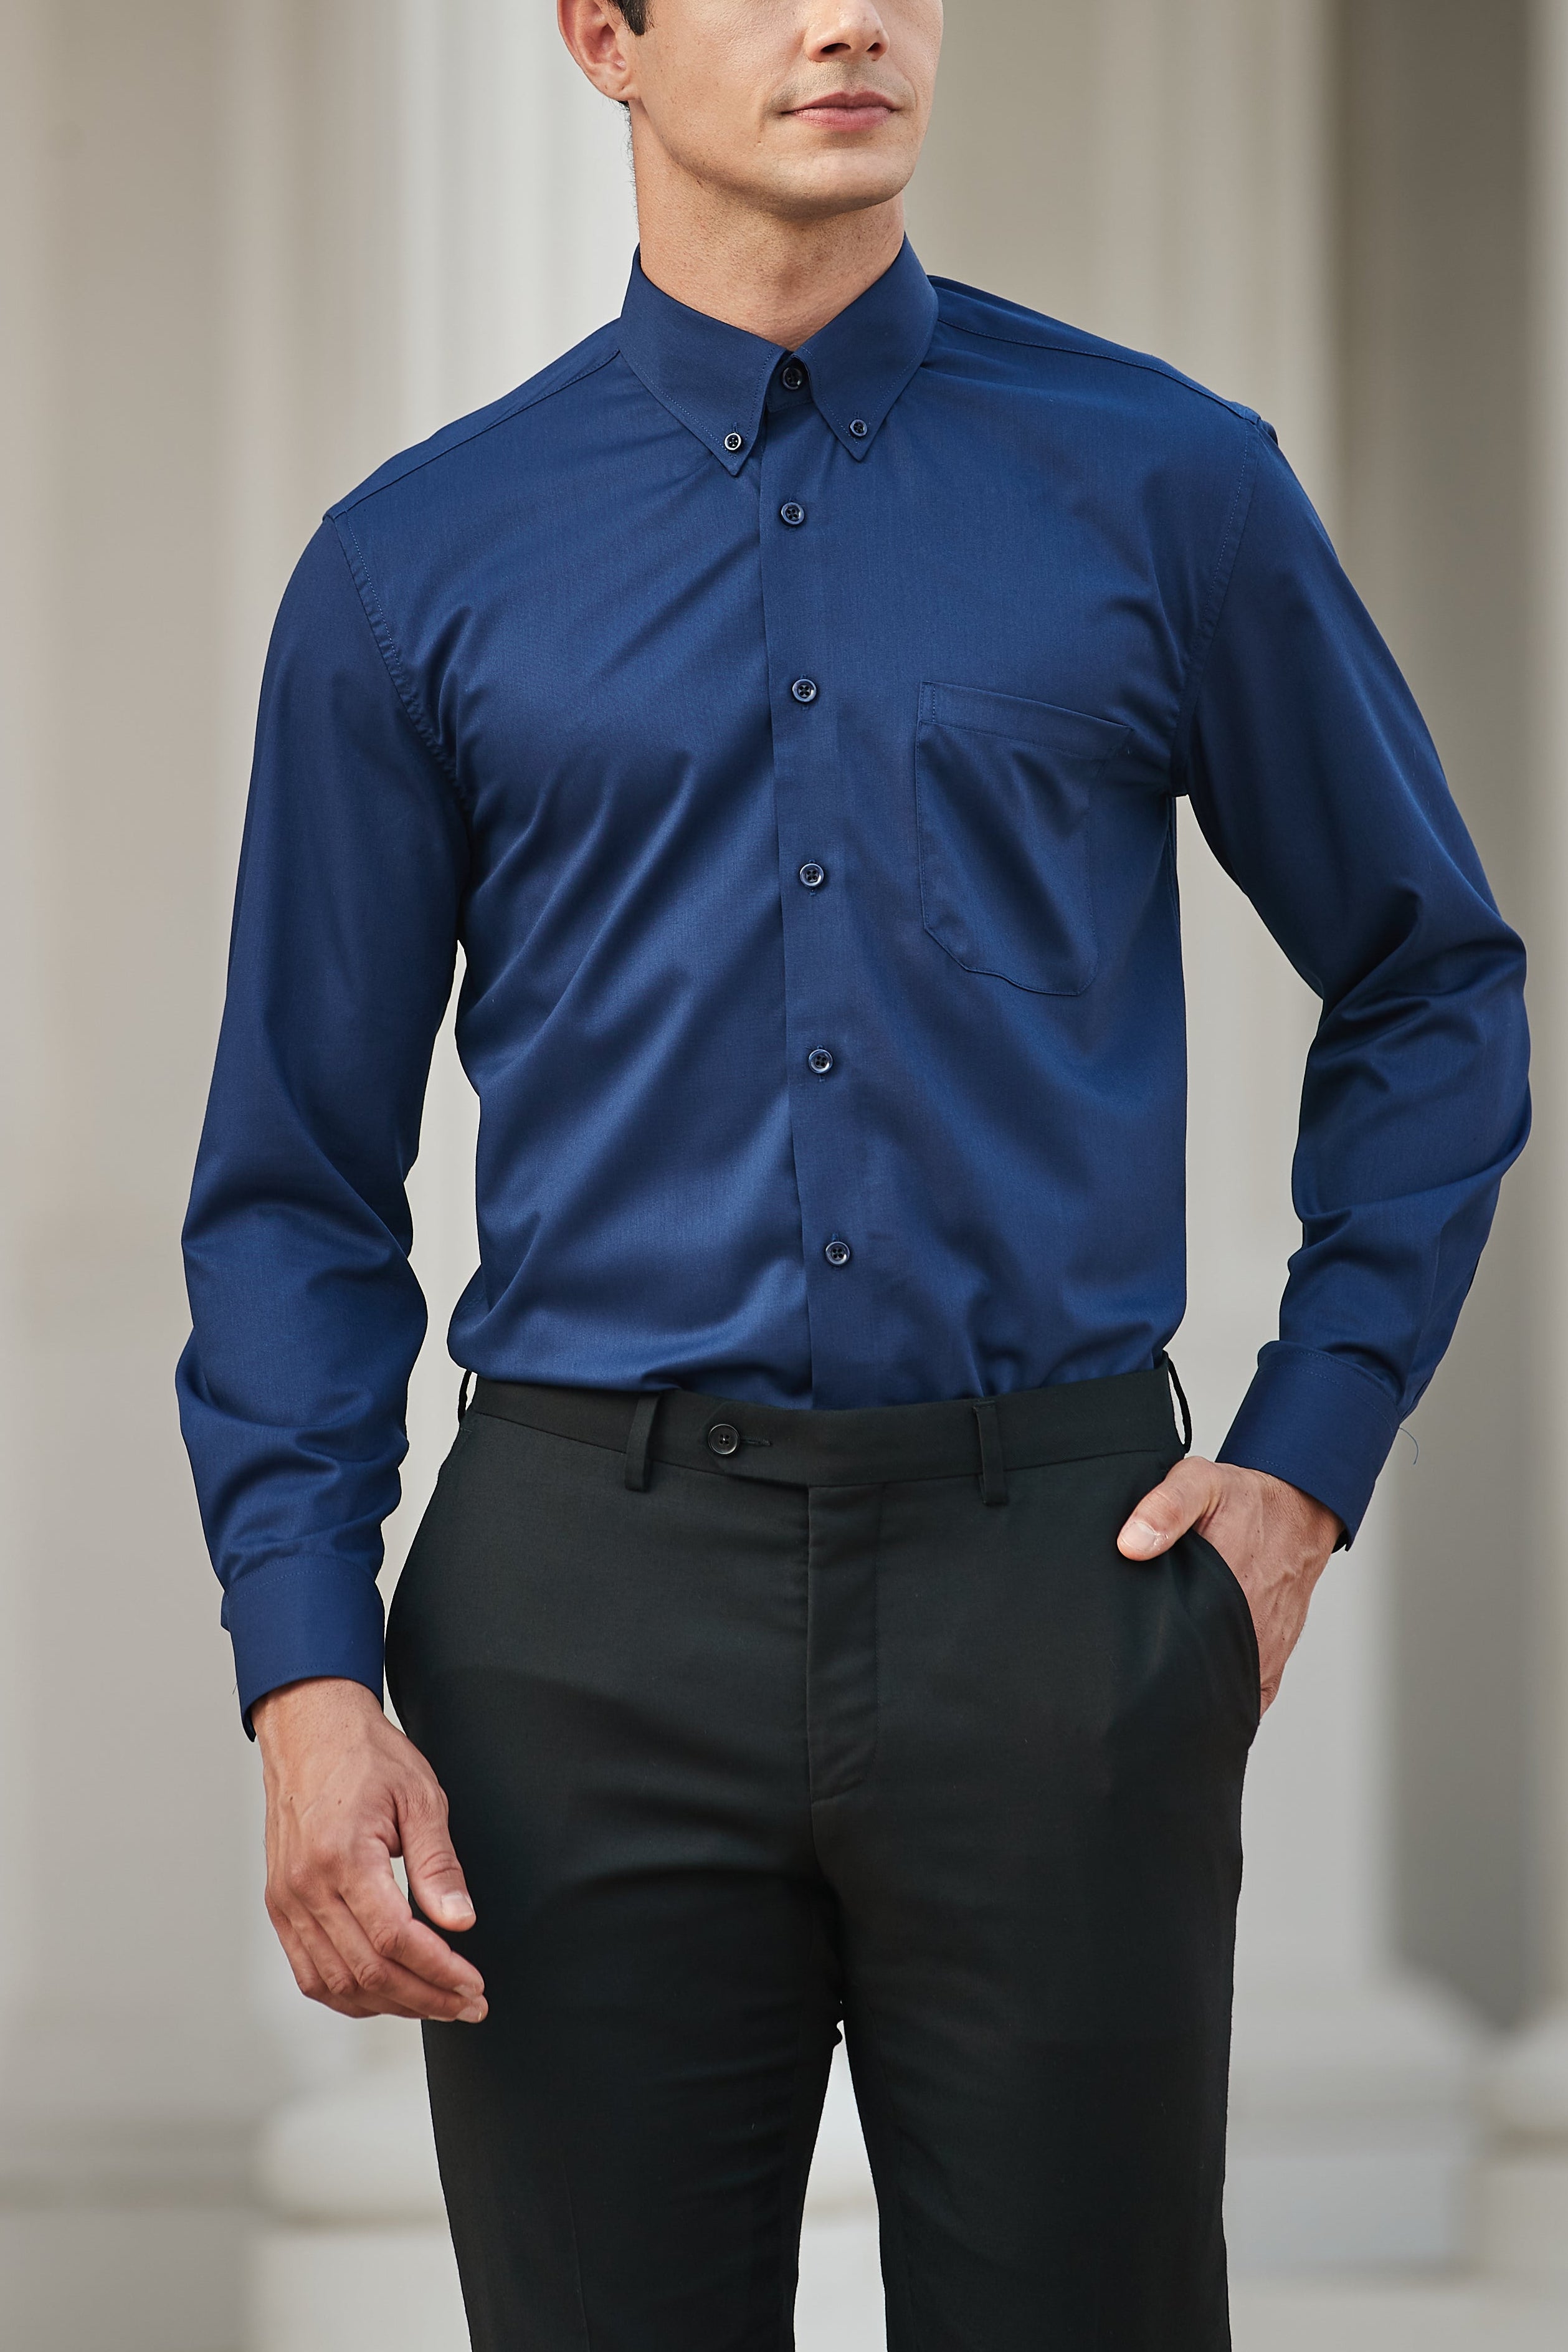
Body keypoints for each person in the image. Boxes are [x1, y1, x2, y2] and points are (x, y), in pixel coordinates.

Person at [176, 1, 1529, 2344]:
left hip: (1053, 1594)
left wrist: (1309, 1460)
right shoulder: (415, 568)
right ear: (600, 33)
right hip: (577, 1626)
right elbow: (302, 1177)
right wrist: (305, 1674)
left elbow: (1433, 979)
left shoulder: (1167, 489)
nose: (852, 20)